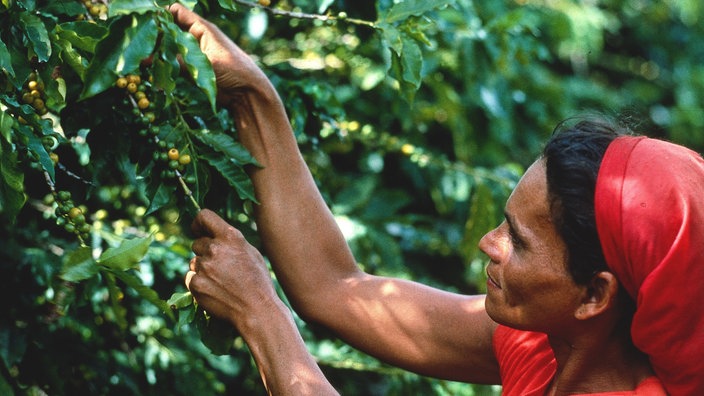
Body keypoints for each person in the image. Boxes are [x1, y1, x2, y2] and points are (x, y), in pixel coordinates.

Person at [172, 4, 703, 395]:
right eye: (504, 222)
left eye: (517, 241)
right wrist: (254, 99)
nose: (487, 243)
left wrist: (263, 317)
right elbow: (336, 288)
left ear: (594, 295)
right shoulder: (548, 347)